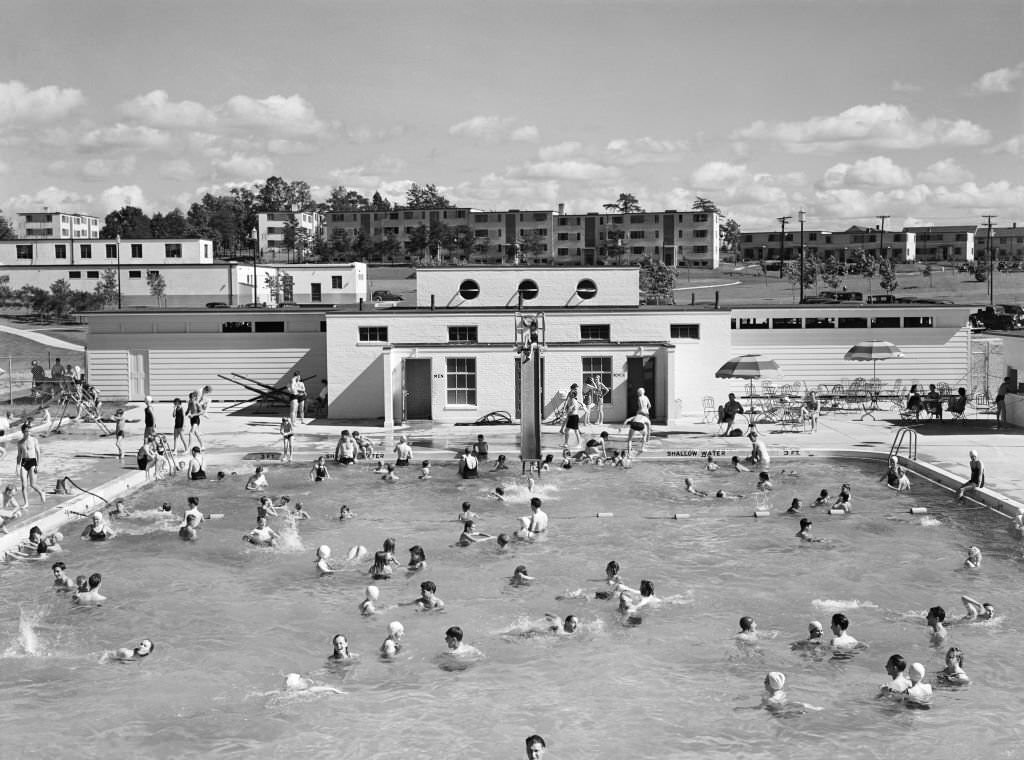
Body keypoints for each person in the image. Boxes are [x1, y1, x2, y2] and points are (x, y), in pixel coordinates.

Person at [16, 423, 45, 505]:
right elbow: (19, 455)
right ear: (22, 432)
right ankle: (26, 503)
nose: (28, 433)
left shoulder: (34, 440)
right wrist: (17, 467)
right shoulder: (20, 443)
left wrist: (37, 465)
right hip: (24, 462)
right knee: (24, 485)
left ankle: (41, 492)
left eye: (29, 431)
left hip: (32, 462)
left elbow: (38, 453)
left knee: (32, 484)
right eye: (26, 431)